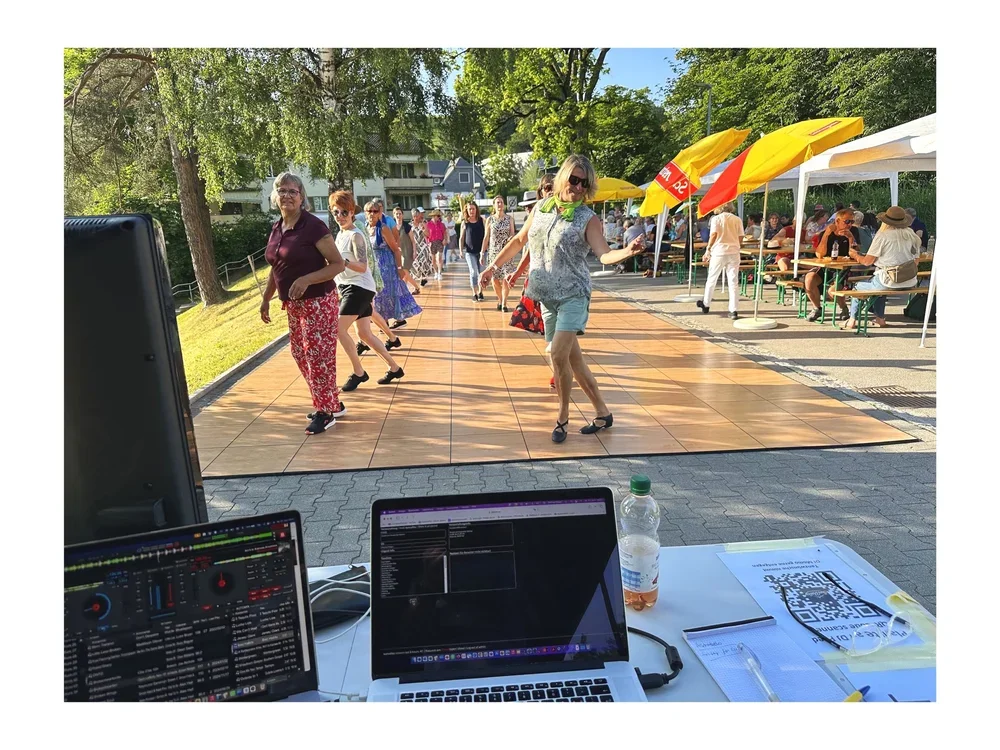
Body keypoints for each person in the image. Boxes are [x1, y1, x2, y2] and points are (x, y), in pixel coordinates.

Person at [479, 154, 645, 443]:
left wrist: (627, 251)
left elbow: (604, 253)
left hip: (573, 296)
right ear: (562, 178)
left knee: (557, 355)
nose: (579, 187)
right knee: (574, 361)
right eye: (574, 180)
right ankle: (603, 412)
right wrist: (493, 267)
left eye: (585, 183)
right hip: (545, 295)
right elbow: (519, 241)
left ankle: (563, 416)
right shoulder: (541, 209)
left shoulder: (587, 218)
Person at [260, 172, 347, 434]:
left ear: (301, 197)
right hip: (294, 305)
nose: (287, 195)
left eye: (292, 191)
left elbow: (338, 264)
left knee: (317, 356)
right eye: (282, 191)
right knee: (300, 354)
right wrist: (265, 299)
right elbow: (276, 267)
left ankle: (325, 412)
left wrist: (307, 279)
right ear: (275, 196)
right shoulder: (277, 228)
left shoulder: (313, 226)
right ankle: (331, 402)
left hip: (319, 301)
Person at [330, 191, 405, 388]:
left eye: (344, 212)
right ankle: (395, 368)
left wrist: (341, 262)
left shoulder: (356, 235)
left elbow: (362, 266)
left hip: (359, 288)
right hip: (349, 288)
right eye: (335, 212)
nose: (340, 216)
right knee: (364, 334)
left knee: (338, 329)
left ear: (352, 212)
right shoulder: (340, 234)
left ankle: (358, 372)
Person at [842, 206, 921, 330]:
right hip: (910, 280)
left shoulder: (883, 236)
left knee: (858, 286)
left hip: (888, 280)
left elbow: (867, 262)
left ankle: (852, 320)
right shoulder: (912, 235)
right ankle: (879, 319)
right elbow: (916, 261)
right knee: (878, 285)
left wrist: (855, 255)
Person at [366, 200, 421, 338]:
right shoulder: (367, 228)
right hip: (376, 268)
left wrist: (399, 268)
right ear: (365, 213)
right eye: (369, 211)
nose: (372, 214)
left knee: (389, 293)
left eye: (375, 211)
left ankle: (392, 321)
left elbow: (396, 249)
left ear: (380, 213)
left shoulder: (383, 228)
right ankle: (385, 322)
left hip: (388, 267)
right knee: (379, 296)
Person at [802, 208, 860, 322]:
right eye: (847, 221)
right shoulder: (825, 233)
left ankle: (843, 308)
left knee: (832, 291)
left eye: (852, 222)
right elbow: (819, 254)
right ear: (837, 221)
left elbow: (856, 252)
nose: (850, 225)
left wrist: (850, 238)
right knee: (809, 279)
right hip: (825, 267)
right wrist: (827, 234)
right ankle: (816, 308)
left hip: (842, 269)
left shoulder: (853, 232)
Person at [696, 203, 745, 320]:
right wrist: (736, 245)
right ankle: (733, 310)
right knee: (733, 281)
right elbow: (741, 236)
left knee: (712, 278)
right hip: (734, 251)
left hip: (719, 251)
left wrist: (708, 249)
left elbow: (713, 234)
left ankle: (706, 304)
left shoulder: (716, 219)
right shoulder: (737, 219)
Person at [483, 195, 519, 312]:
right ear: (494, 205)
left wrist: (510, 239)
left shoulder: (510, 219)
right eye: (497, 202)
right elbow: (486, 237)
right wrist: (481, 253)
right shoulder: (490, 220)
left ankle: (504, 303)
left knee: (505, 277)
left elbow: (513, 234)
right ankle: (499, 298)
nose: (500, 204)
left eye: (501, 202)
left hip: (507, 252)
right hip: (493, 253)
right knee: (494, 279)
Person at [459, 202, 486, 301]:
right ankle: (474, 293)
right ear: (467, 210)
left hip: (482, 252)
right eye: (470, 209)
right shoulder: (465, 223)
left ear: (476, 209)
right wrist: (461, 250)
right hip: (470, 252)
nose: (472, 211)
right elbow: (461, 238)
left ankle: (480, 292)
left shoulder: (482, 220)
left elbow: (487, 235)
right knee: (473, 272)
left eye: (473, 209)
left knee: (481, 272)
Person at [391, 206, 421, 295]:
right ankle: (416, 287)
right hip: (398, 253)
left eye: (400, 214)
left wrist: (415, 252)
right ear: (394, 215)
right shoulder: (392, 226)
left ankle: (403, 290)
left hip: (408, 252)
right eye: (396, 214)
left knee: (404, 270)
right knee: (404, 272)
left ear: (402, 215)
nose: (398, 215)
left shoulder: (407, 226)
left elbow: (413, 241)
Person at [408, 206, 434, 286]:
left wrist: (424, 227)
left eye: (420, 216)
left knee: (424, 264)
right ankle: (417, 279)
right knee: (415, 265)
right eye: (418, 216)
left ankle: (423, 278)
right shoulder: (409, 226)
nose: (420, 218)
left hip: (423, 247)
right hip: (414, 247)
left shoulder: (423, 223)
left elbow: (428, 235)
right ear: (414, 216)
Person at [426, 209, 448, 279]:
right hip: (432, 242)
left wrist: (445, 239)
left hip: (440, 242)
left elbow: (445, 232)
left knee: (439, 257)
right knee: (433, 259)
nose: (438, 217)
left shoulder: (441, 224)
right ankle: (436, 272)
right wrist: (428, 242)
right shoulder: (428, 224)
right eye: (437, 216)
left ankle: (440, 273)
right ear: (433, 216)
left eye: (439, 216)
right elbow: (426, 234)